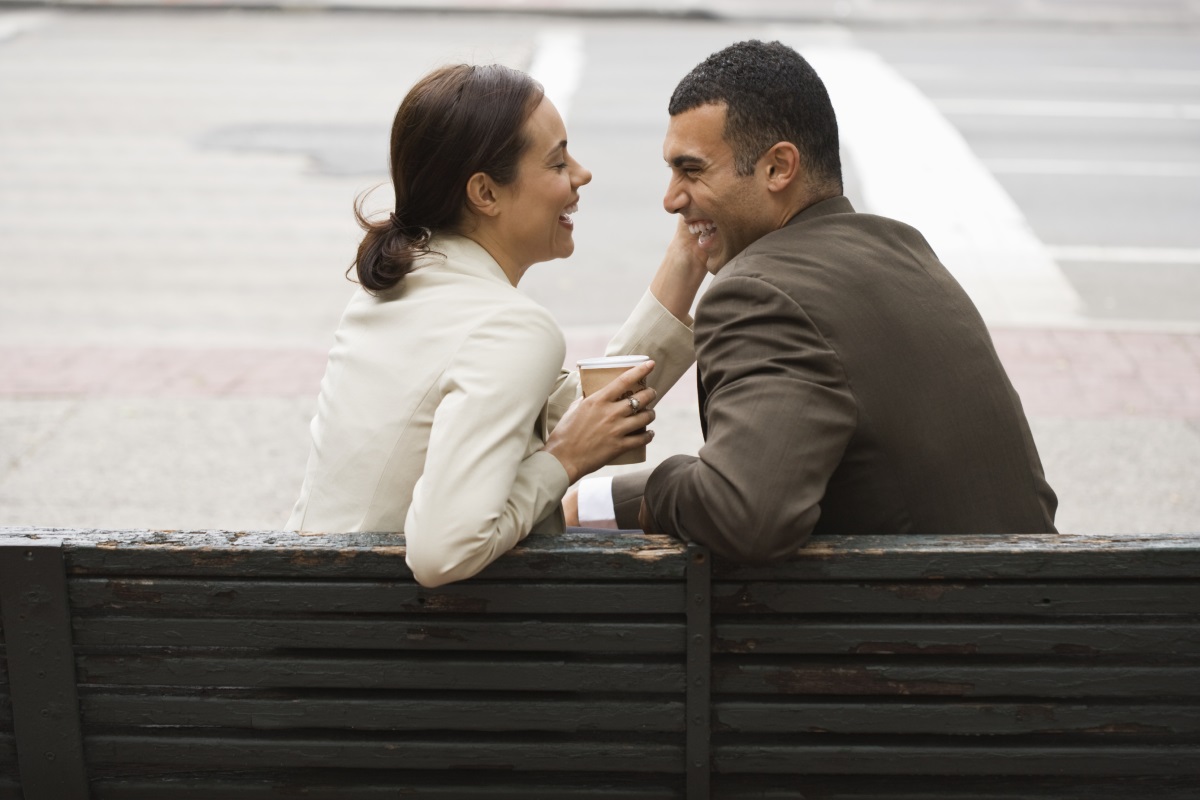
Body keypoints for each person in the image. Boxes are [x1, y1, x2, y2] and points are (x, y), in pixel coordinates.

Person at [569, 40, 1057, 560]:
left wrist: (659, 486)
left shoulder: (759, 295)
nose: (671, 199)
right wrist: (608, 499)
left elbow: (743, 515)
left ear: (779, 168)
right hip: (1017, 612)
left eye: (691, 170)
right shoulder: (903, 253)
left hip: (932, 630)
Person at [286, 64, 705, 586]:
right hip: (403, 648)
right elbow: (443, 553)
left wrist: (687, 257)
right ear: (484, 193)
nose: (582, 174)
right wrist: (565, 461)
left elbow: (540, 416)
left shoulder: (399, 286)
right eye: (557, 163)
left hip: (318, 616)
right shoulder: (509, 328)